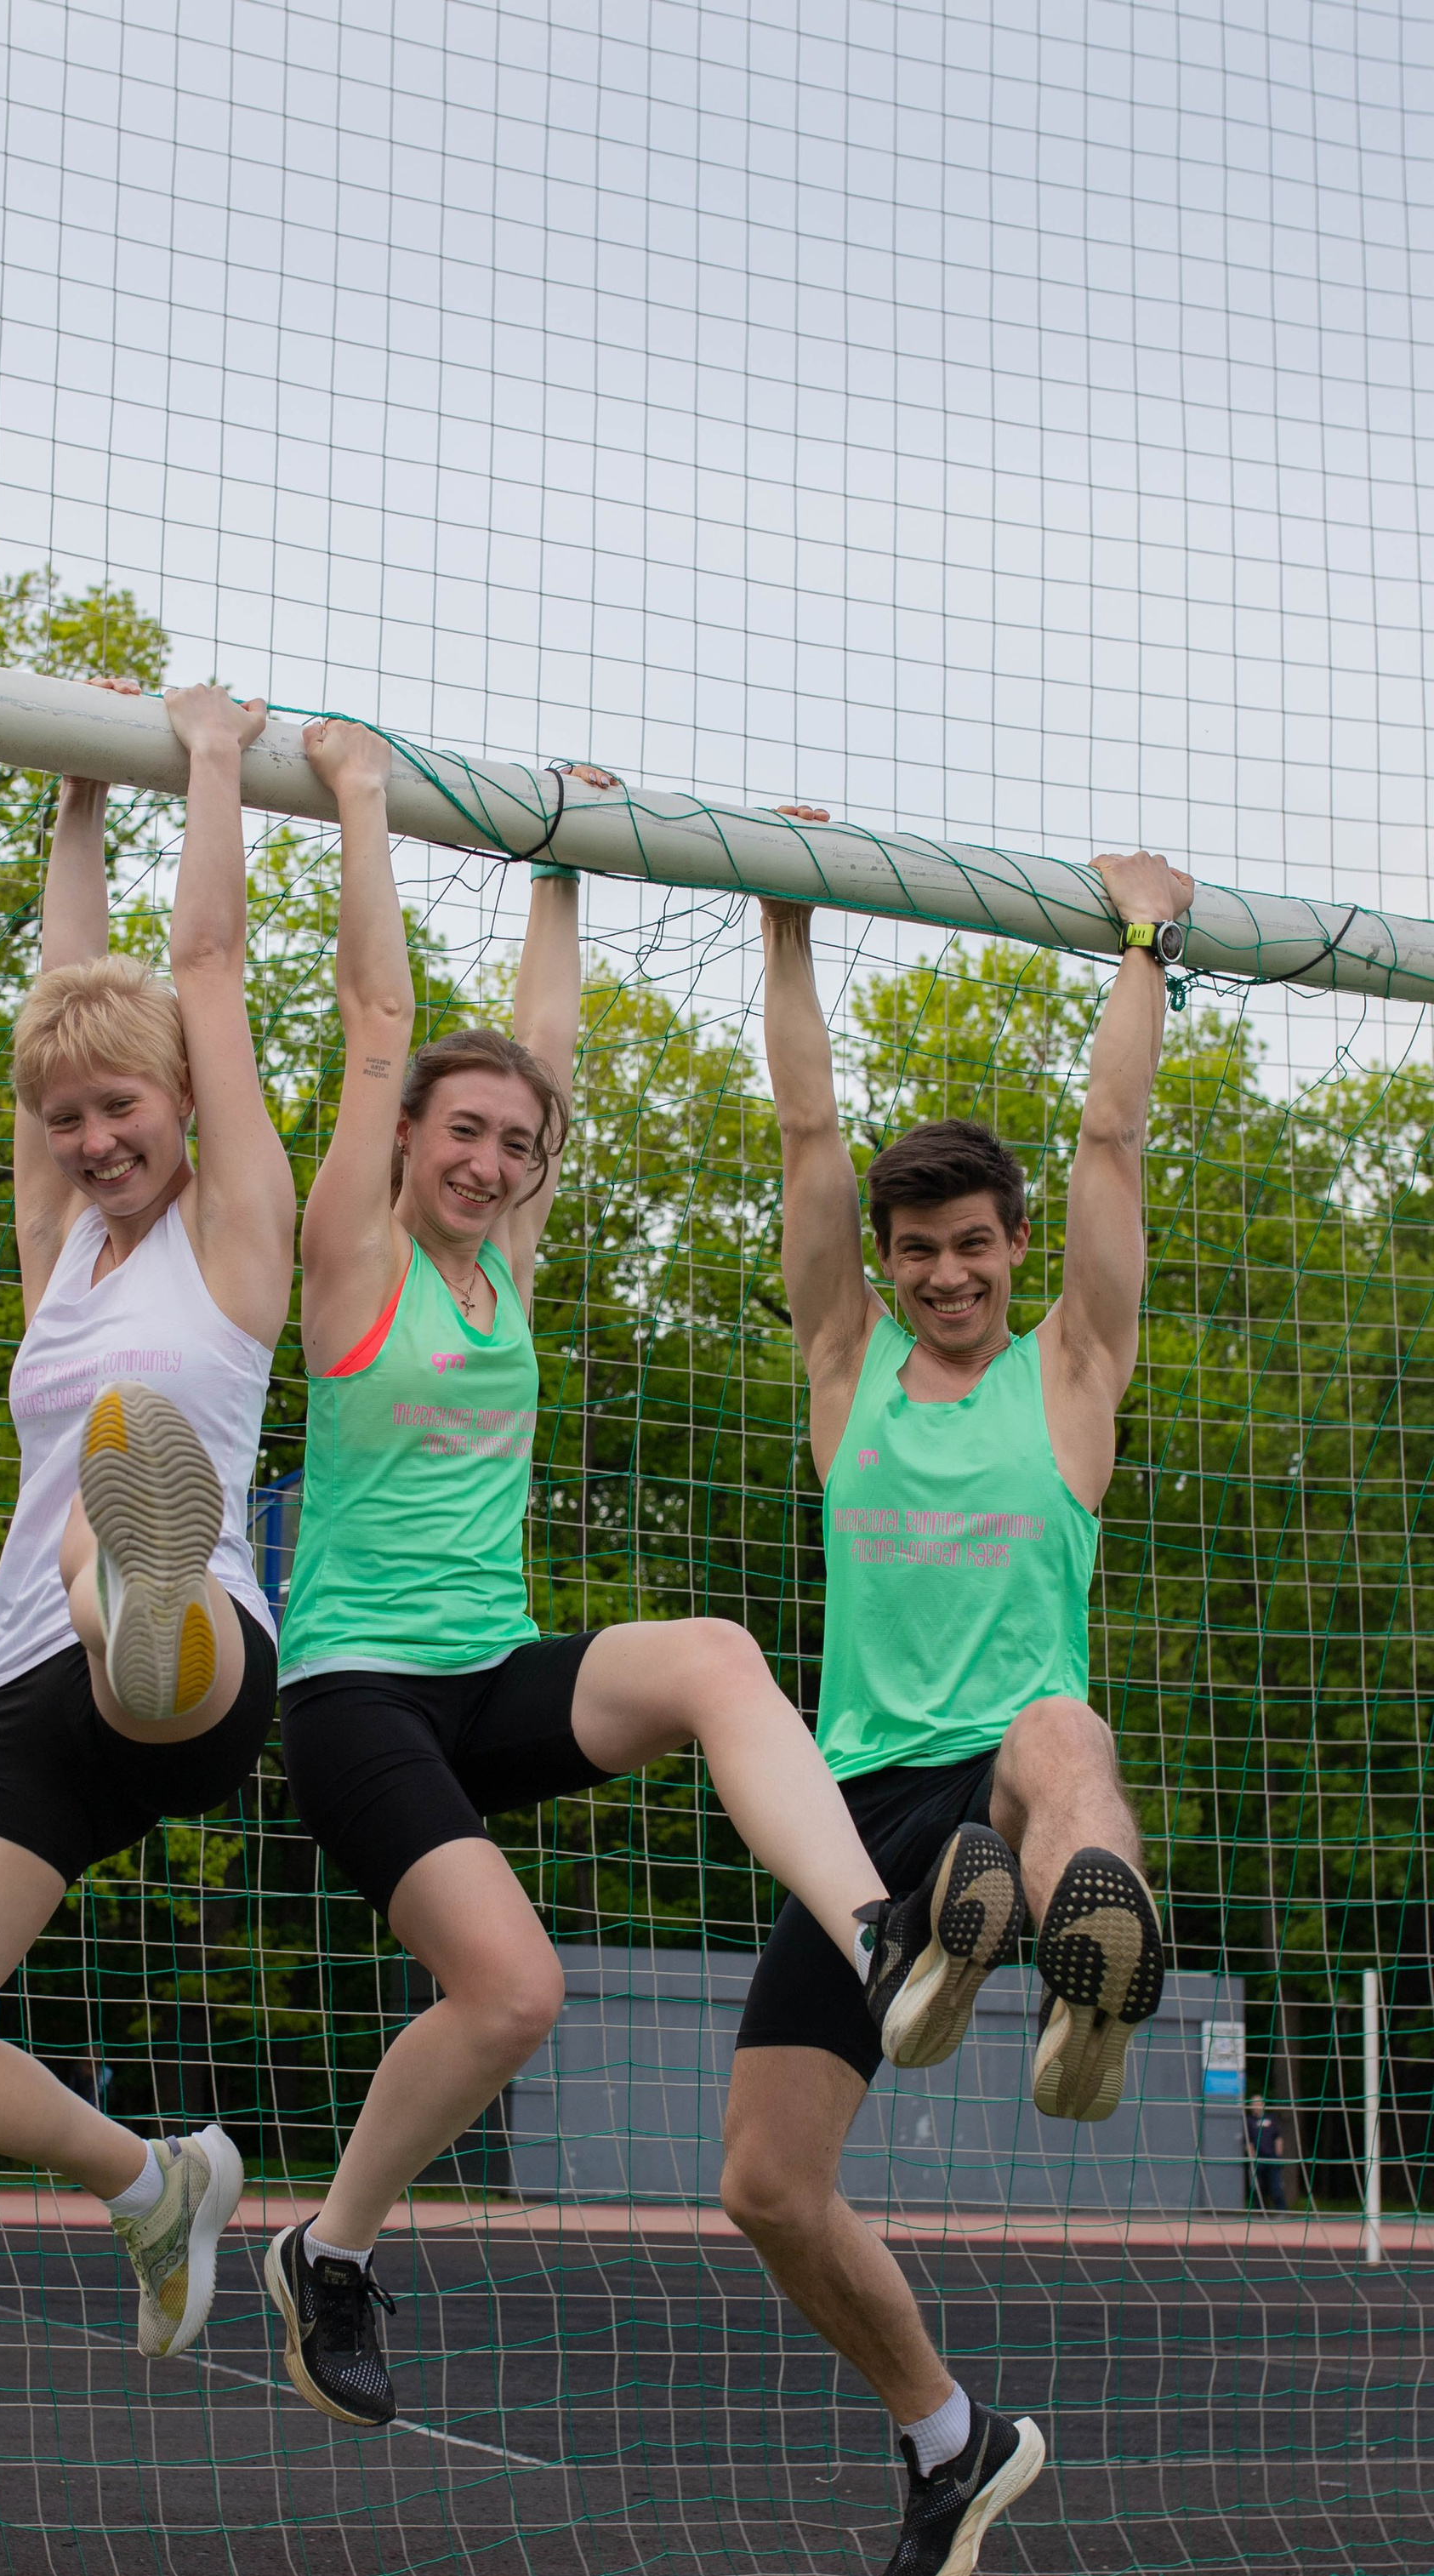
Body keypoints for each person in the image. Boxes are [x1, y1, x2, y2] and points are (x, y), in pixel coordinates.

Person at [261, 721, 976, 2442]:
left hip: (488, 1673)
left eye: (517, 1143)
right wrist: (363, 805)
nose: (493, 1162)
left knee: (718, 1654)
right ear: (405, 1140)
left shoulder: (503, 1262)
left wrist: (561, 862)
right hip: (353, 1692)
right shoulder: (351, 1253)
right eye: (463, 1134)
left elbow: (544, 1044)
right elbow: (375, 1026)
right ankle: (328, 2253)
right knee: (512, 1992)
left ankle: (872, 1934)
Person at [736, 829, 1194, 2576]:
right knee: (765, 2186)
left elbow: (1108, 1141)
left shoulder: (1068, 1377)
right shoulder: (843, 1373)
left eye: (970, 1247)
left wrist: (1142, 941)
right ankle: (948, 2443)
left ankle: (1077, 1979)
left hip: (1010, 1766)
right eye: (916, 1248)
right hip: (855, 1817)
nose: (942, 1274)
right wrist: (782, 927)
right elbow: (799, 1143)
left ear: (1014, 1252)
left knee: (1059, 1724)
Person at [0, 682, 294, 2362]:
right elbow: (56, 987)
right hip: (34, 1687)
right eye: (66, 1118)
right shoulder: (61, 1254)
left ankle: (134, 1586)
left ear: (182, 1100)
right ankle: (154, 2181)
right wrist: (81, 789)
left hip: (196, 1666)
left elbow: (211, 977)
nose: (95, 1139)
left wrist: (214, 766)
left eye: (123, 1107)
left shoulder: (234, 1238)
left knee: (121, 1482)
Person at [1243, 2090, 1288, 2214]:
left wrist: (1278, 2155)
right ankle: (1259, 2211)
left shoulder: (1271, 2119)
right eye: (1253, 2104)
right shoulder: (1248, 2120)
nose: (1255, 2106)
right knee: (1257, 2187)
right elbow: (1247, 2141)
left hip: (1272, 2157)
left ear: (1263, 2104)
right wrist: (1252, 2156)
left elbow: (1278, 2137)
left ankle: (1281, 2211)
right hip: (1258, 2158)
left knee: (1276, 2186)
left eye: (1258, 2103)